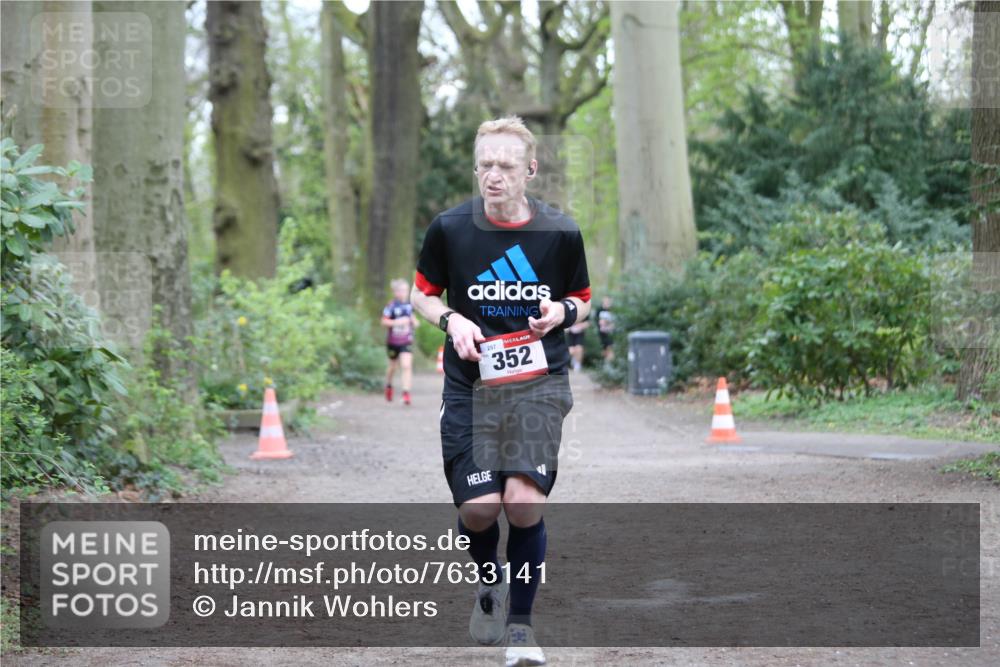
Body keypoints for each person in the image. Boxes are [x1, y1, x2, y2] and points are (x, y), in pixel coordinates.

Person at [411, 116, 590, 667]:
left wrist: (559, 312)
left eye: (506, 166)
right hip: (471, 388)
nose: (493, 175)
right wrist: (451, 321)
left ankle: (520, 629)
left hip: (538, 383)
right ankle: (490, 582)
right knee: (482, 509)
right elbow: (422, 294)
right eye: (485, 164)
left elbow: (583, 300)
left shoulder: (558, 232)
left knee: (523, 502)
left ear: (529, 170)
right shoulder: (450, 228)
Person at [381, 278, 418, 405]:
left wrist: (415, 322)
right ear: (395, 292)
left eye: (406, 290)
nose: (404, 293)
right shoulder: (391, 306)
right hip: (393, 342)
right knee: (393, 367)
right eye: (401, 290)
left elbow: (412, 318)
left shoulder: (409, 305)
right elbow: (384, 321)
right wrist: (397, 322)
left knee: (407, 366)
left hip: (406, 341)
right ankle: (389, 385)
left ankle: (406, 393)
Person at [596, 295, 616, 363]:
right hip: (602, 333)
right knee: (605, 350)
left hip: (610, 333)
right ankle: (604, 363)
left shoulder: (613, 310)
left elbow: (614, 322)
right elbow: (598, 321)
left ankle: (608, 364)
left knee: (610, 348)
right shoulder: (599, 310)